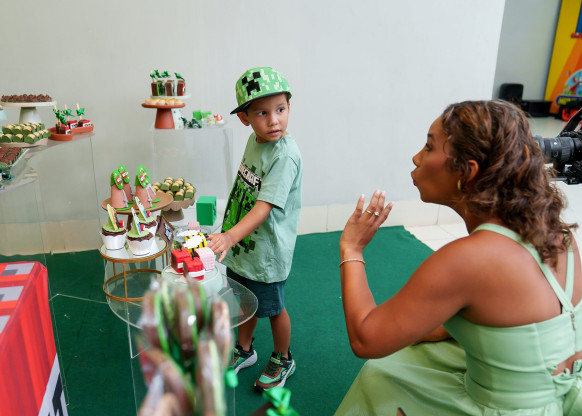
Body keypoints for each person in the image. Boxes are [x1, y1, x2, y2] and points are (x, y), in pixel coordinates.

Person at [335, 100, 582, 415]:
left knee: (381, 371)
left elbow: (365, 339)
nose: (416, 157)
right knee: (394, 366)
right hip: (556, 394)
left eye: (429, 147)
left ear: (467, 171)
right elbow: (509, 319)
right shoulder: (559, 233)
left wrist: (352, 249)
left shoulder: (468, 259)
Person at [208, 67, 302, 392]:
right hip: (243, 247)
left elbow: (263, 207)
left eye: (281, 109)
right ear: (244, 118)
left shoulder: (285, 156)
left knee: (273, 309)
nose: (274, 121)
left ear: (289, 107)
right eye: (262, 113)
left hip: (266, 254)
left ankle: (283, 357)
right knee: (244, 301)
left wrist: (229, 235)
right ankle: (244, 349)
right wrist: (232, 235)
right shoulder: (254, 140)